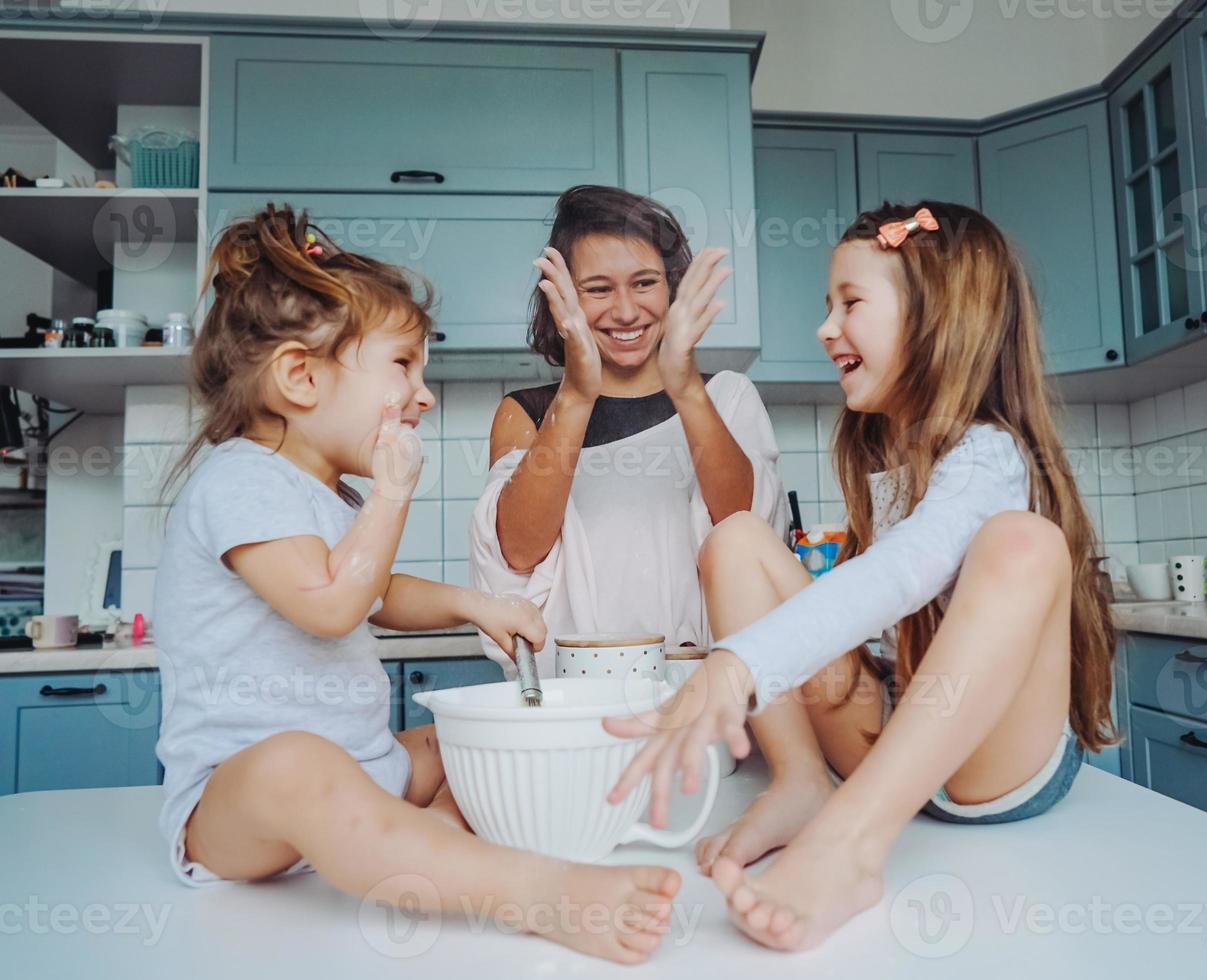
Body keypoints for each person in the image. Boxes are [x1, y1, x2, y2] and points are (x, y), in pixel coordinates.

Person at [154, 205, 680, 965]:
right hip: (242, 804)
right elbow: (335, 606)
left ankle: (424, 849)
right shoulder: (241, 479)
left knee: (474, 743)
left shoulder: (330, 495)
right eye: (403, 365)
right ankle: (533, 891)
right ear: (301, 377)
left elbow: (374, 590)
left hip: (364, 766)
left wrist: (476, 604)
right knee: (297, 763)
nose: (423, 395)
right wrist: (396, 495)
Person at [604, 202, 1118, 952]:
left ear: (936, 320)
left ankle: (847, 849)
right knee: (738, 537)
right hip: (898, 732)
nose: (824, 327)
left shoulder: (989, 455)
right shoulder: (889, 457)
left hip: (994, 768)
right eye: (827, 305)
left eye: (850, 303)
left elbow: (906, 571)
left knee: (1023, 544)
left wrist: (737, 665)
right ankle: (801, 781)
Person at [472, 185, 784, 673]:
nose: (624, 311)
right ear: (560, 297)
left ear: (672, 288)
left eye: (644, 283)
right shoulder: (526, 414)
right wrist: (576, 393)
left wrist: (684, 384)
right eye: (598, 289)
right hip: (574, 701)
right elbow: (517, 551)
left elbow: (745, 529)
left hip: (706, 691)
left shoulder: (726, 396)